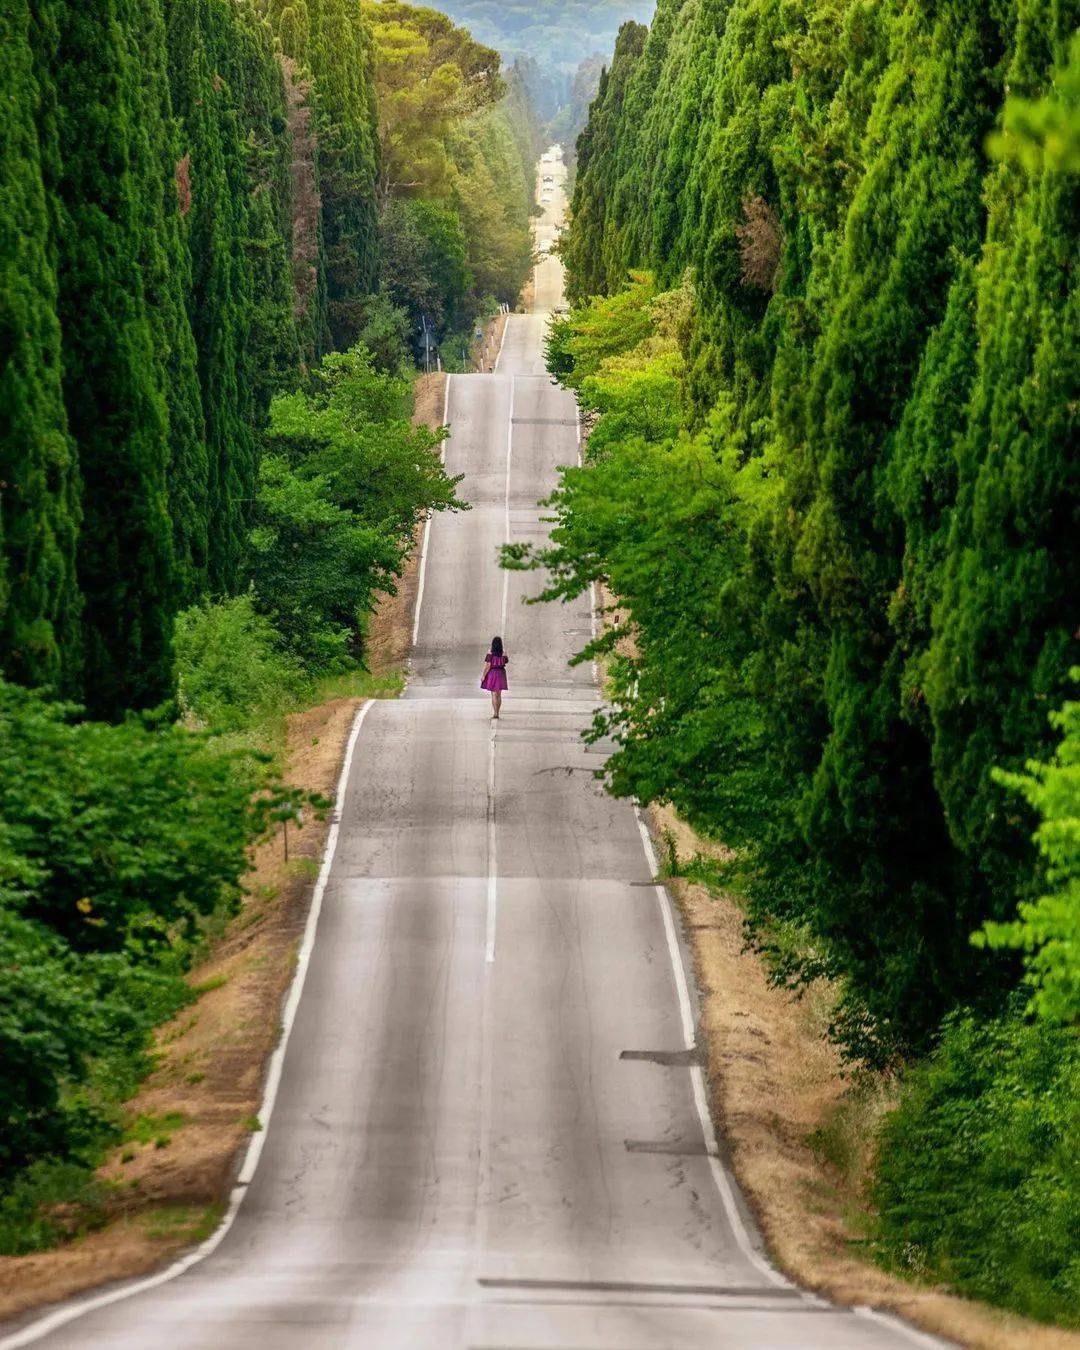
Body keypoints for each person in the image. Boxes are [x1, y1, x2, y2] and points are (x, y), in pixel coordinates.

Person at [480, 636, 509, 718]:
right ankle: (497, 713)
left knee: (493, 694)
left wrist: (483, 675)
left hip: (492, 673)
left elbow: (488, 665)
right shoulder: (504, 652)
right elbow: (506, 661)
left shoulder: (490, 652)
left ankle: (495, 713)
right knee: (499, 695)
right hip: (501, 674)